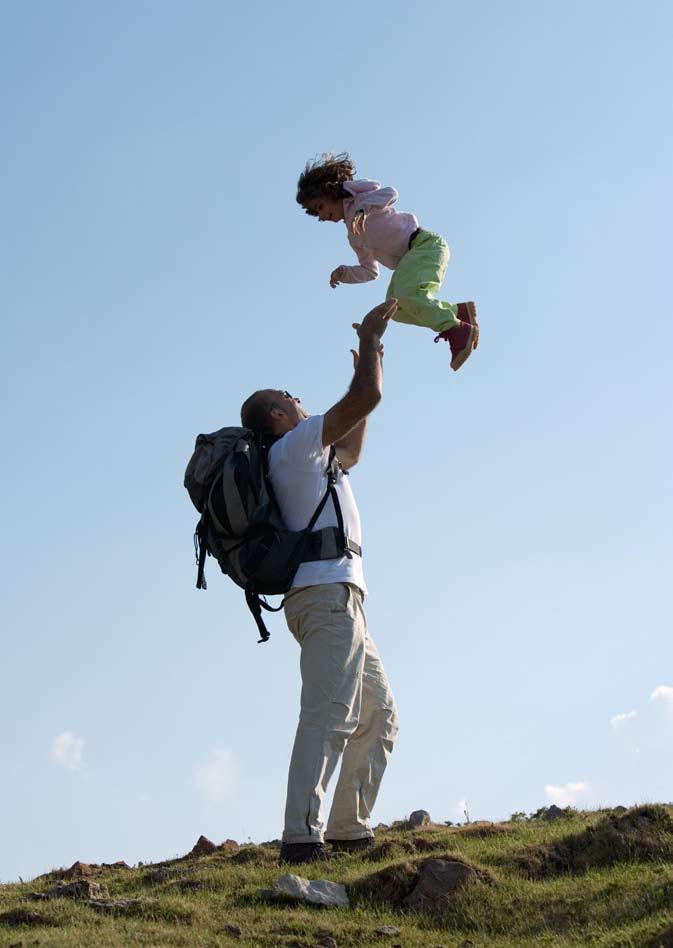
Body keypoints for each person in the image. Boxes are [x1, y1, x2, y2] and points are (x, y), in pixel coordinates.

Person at [239, 300, 400, 864]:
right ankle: (301, 839)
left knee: (378, 715)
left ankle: (348, 828)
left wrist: (366, 371)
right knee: (329, 713)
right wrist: (374, 348)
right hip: (325, 595)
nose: (299, 399)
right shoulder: (293, 446)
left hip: (341, 596)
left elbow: (353, 441)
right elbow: (365, 398)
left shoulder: (310, 454)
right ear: (279, 416)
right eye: (290, 397)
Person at [296, 151, 479, 372]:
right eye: (316, 214)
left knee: (406, 295)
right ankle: (458, 312)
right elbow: (370, 271)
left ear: (331, 192)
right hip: (409, 260)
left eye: (320, 207)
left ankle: (455, 328)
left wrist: (363, 208)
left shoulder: (359, 197)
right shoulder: (354, 235)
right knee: (395, 309)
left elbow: (390, 193)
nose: (322, 217)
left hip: (424, 245)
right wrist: (344, 273)